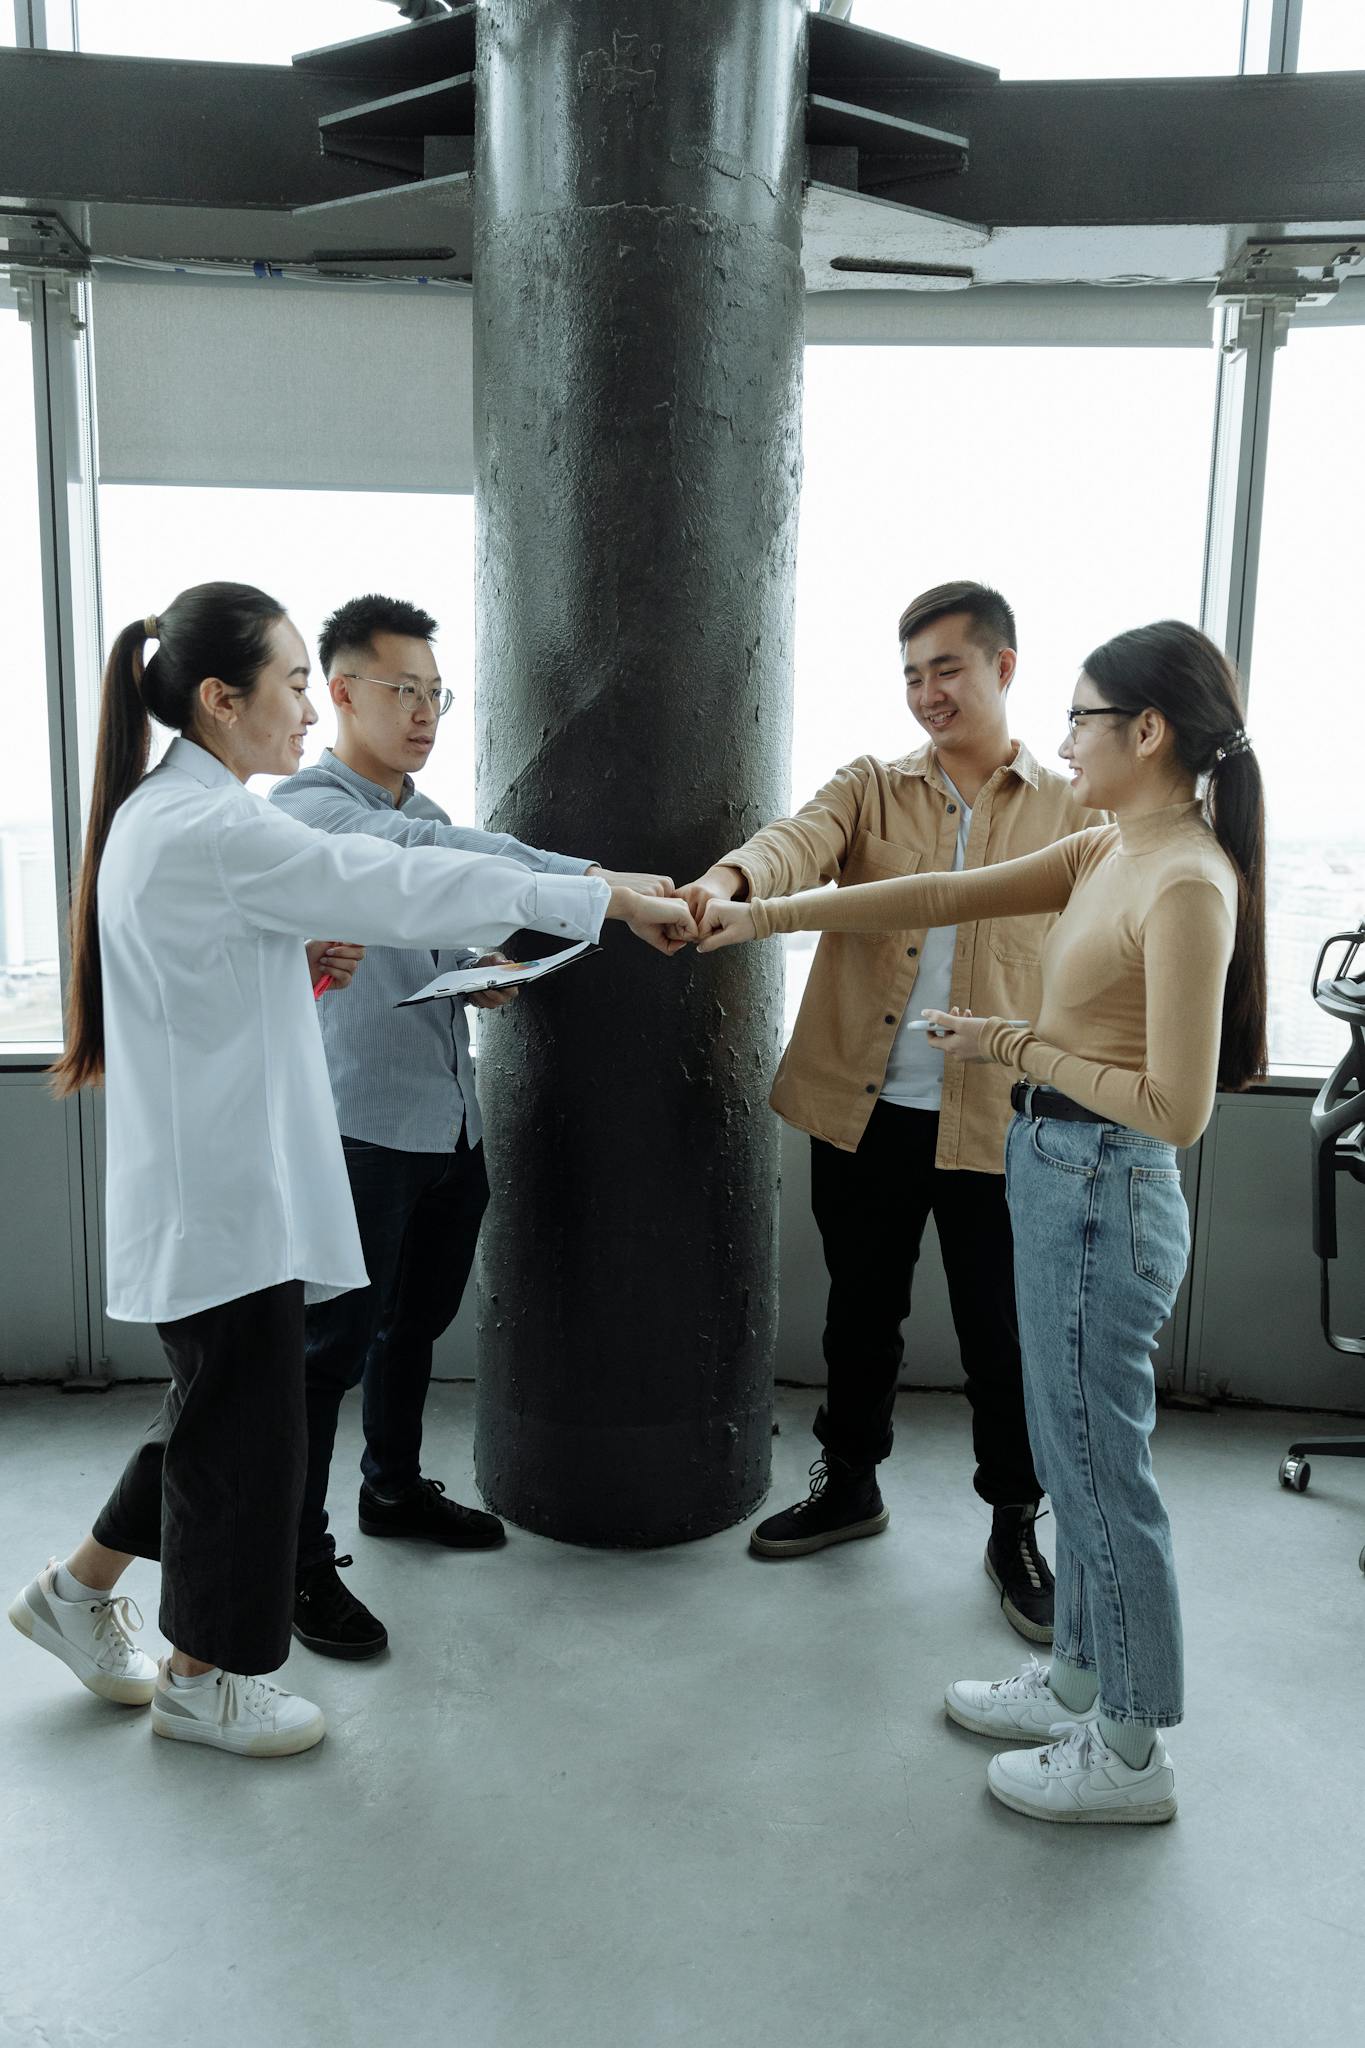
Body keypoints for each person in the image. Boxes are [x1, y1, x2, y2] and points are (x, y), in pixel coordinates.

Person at [7, 580, 694, 1759]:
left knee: (216, 1409)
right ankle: (205, 1676)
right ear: (222, 699)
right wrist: (605, 898)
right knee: (245, 1438)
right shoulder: (220, 823)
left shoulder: (163, 812)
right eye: (287, 686)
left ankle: (77, 1589)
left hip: (211, 1178)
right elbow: (405, 881)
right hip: (225, 1193)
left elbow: (221, 969)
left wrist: (291, 966)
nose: (303, 716)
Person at [696, 618, 1266, 1825]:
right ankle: (1076, 1682)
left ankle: (1130, 1752)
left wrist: (1009, 1043)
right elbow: (944, 886)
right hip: (1056, 1162)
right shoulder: (1114, 844)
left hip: (1108, 1179)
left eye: (1085, 718)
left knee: (1105, 1476)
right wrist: (759, 919)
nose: (1067, 738)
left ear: (1148, 732)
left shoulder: (1185, 879)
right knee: (1069, 1451)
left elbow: (1179, 1108)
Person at [679, 582, 1100, 1641]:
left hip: (1001, 1114)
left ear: (1005, 667)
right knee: (860, 1309)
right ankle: (849, 1480)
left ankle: (1015, 1520)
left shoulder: (1070, 809)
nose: (926, 693)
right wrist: (730, 878)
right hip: (865, 1107)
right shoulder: (870, 786)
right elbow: (792, 843)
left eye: (947, 669)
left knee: (1003, 1332)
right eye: (911, 674)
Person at [270, 594, 676, 1659]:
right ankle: (297, 1562)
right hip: (360, 1126)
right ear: (344, 691)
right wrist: (600, 885)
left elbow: (441, 902)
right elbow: (427, 856)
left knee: (415, 1323)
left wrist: (484, 975)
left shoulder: (429, 812)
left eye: (436, 692)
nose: (424, 712)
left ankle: (391, 1489)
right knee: (326, 1352)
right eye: (402, 690)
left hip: (446, 1120)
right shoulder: (311, 807)